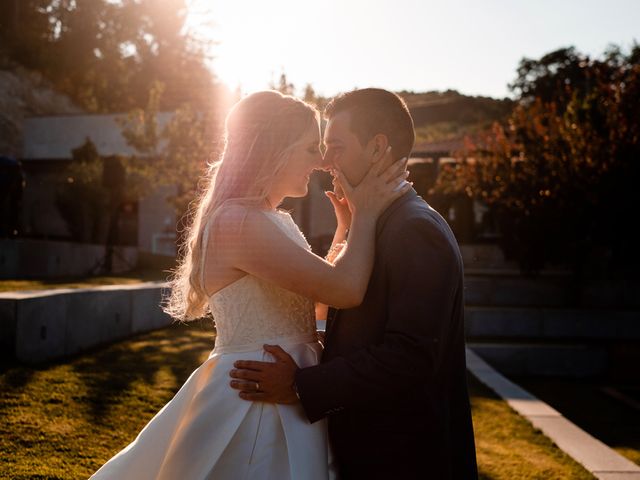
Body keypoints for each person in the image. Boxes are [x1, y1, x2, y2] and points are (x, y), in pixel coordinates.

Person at [89, 90, 410, 479]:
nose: (322, 161)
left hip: (287, 388)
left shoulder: (271, 219)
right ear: (275, 149)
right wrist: (367, 214)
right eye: (311, 148)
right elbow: (346, 291)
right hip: (254, 397)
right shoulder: (240, 223)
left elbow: (318, 306)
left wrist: (345, 226)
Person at [230, 88, 479, 479]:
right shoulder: (383, 223)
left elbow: (409, 356)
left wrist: (300, 385)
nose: (326, 161)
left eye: (337, 146)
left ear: (378, 148)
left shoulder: (414, 229)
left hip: (404, 460)